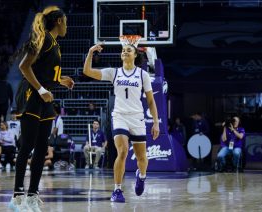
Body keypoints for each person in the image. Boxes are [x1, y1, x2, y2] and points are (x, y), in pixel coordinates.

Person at [9, 6, 74, 212]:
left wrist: (61, 81)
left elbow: (44, 72)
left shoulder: (54, 43)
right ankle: (17, 197)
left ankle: (32, 196)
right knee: (27, 146)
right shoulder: (44, 38)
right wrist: (41, 89)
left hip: (44, 98)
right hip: (31, 95)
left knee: (41, 149)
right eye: (65, 21)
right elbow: (24, 66)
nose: (67, 26)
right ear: (59, 22)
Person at [83, 42, 160, 202]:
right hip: (119, 116)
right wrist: (91, 52)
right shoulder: (114, 72)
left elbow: (151, 101)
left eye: (129, 50)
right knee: (123, 151)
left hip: (137, 117)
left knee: (141, 158)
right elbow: (87, 72)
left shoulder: (142, 74)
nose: (125, 52)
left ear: (135, 55)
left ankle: (142, 176)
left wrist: (155, 122)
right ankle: (117, 190)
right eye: (123, 50)